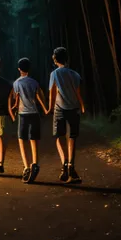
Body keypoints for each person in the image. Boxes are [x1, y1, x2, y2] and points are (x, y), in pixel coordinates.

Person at [46, 46, 85, 183]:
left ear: (55, 59)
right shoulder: (75, 74)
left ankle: (64, 163)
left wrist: (49, 108)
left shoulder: (54, 74)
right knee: (72, 137)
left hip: (59, 109)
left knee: (59, 136)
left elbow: (52, 92)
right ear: (67, 59)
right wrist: (82, 106)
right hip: (73, 108)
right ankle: (71, 166)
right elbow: (78, 93)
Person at [9, 57, 47, 184]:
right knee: (33, 139)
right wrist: (45, 109)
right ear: (29, 69)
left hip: (23, 114)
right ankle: (35, 163)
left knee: (21, 139)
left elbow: (17, 98)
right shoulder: (34, 82)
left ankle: (26, 167)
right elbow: (38, 98)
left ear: (19, 69)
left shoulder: (16, 83)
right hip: (34, 113)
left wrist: (13, 108)